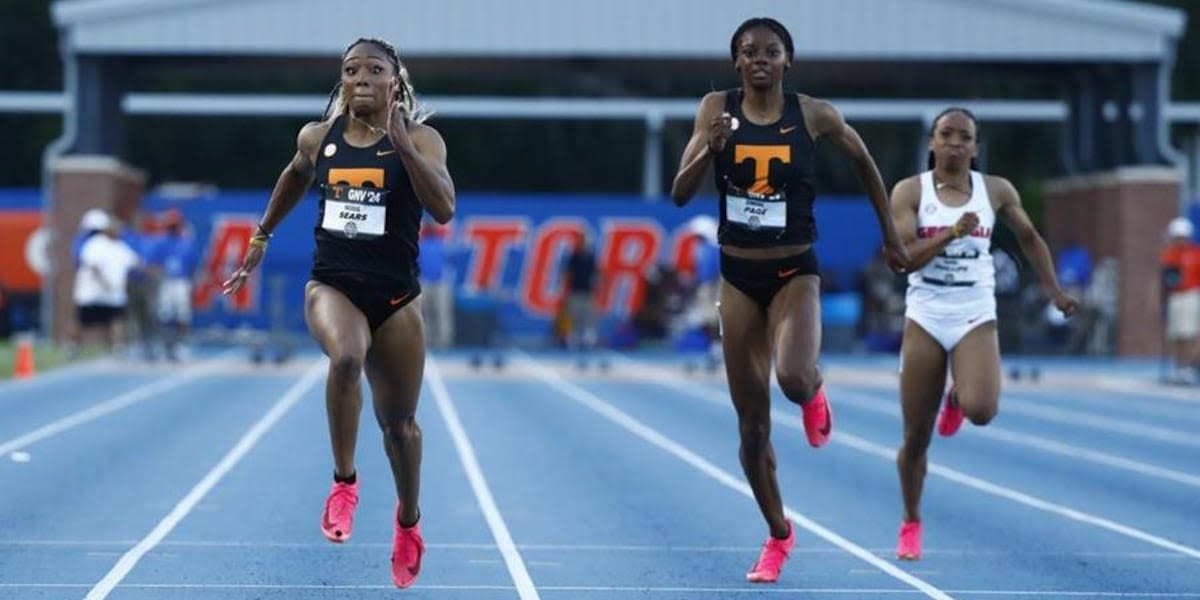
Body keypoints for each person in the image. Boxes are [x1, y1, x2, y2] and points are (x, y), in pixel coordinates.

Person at [669, 17, 910, 584]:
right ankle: (778, 535)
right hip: (737, 277)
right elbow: (680, 192)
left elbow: (865, 163)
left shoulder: (814, 114)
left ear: (787, 60)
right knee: (751, 430)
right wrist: (710, 147)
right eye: (748, 52)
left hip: (795, 270)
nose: (759, 59)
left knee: (795, 378)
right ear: (735, 63)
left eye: (770, 51)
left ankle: (814, 391)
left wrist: (892, 236)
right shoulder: (714, 109)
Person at [222, 37, 454, 588]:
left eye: (375, 70)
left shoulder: (422, 139)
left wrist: (403, 143)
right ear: (342, 81)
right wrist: (262, 235)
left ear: (395, 81)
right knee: (347, 357)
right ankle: (344, 484)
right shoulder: (318, 137)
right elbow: (295, 174)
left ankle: (407, 522)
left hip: (397, 297)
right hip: (332, 287)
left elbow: (443, 207)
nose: (362, 79)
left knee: (400, 429)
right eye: (351, 70)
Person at [889, 107, 1078, 561]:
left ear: (975, 147)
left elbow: (1030, 237)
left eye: (965, 137)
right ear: (932, 142)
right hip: (926, 313)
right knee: (916, 438)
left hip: (974, 311)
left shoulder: (994, 191)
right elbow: (902, 259)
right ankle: (911, 520)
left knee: (983, 409)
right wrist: (951, 233)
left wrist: (1053, 289)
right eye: (947, 135)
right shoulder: (910, 191)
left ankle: (957, 398)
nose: (955, 143)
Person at [1159, 216, 1200, 384]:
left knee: (1189, 333)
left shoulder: (1195, 253)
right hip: (1174, 297)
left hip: (1190, 295)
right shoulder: (1169, 254)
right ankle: (1179, 368)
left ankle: (1189, 367)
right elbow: (1164, 277)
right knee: (1175, 335)